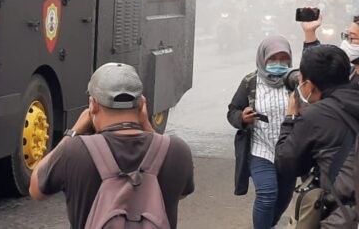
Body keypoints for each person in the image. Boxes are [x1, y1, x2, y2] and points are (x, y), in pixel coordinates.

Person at [29, 63, 195, 229]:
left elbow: (36, 189)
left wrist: (73, 132)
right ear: (141, 104)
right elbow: (180, 193)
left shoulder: (74, 151)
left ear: (93, 105)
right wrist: (147, 125)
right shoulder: (177, 151)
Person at [275, 45, 359, 228]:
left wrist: (291, 116)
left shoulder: (315, 115)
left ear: (308, 86)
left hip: (345, 217)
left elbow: (286, 164)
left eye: (300, 80)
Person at [227, 36, 296, 229]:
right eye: (273, 59)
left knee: (284, 197)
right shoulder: (250, 82)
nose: (279, 63)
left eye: (284, 59)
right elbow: (233, 111)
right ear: (262, 58)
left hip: (289, 152)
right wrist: (242, 117)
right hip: (260, 149)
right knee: (267, 194)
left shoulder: (295, 81)